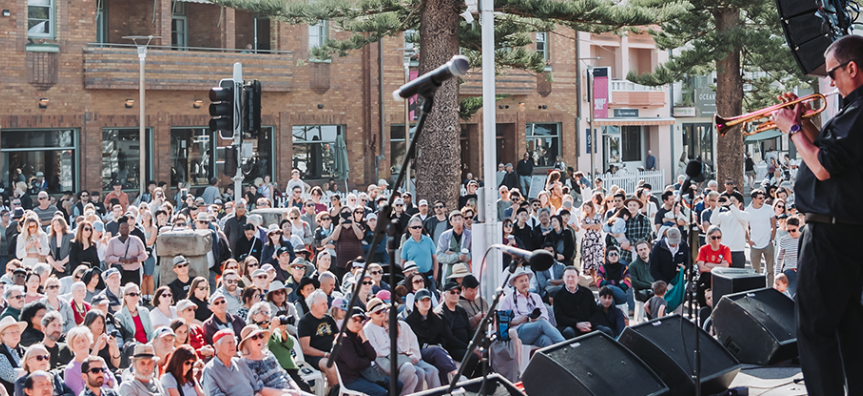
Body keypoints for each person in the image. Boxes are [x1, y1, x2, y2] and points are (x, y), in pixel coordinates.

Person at [770, 37, 863, 395]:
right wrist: (802, 122)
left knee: (812, 328)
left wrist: (793, 130)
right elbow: (828, 153)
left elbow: (822, 167)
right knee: (848, 325)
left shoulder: (858, 111)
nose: (830, 81)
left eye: (832, 72)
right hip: (845, 231)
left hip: (833, 233)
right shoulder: (850, 110)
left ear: (851, 69)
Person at [363, 298, 428, 394]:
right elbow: (374, 351)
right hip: (379, 364)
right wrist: (392, 352)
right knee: (409, 369)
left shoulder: (387, 324)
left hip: (394, 360)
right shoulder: (368, 329)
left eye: (383, 310)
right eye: (377, 312)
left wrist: (402, 352)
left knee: (419, 374)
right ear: (370, 315)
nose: (381, 313)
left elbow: (397, 345)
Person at [334, 307, 402, 396]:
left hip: (366, 374)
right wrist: (367, 361)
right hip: (351, 379)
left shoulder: (358, 336)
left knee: (397, 385)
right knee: (380, 392)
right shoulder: (343, 339)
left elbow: (372, 356)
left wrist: (364, 338)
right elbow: (354, 363)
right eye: (354, 320)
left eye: (360, 321)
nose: (357, 323)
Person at [498, 267, 565, 348]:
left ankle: (557, 359)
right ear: (515, 284)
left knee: (546, 340)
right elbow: (500, 321)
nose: (525, 283)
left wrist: (536, 319)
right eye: (521, 281)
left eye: (526, 280)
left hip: (535, 330)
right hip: (518, 332)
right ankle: (565, 346)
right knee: (542, 323)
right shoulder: (507, 299)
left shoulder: (536, 297)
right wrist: (517, 321)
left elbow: (544, 314)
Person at [237, 325, 303, 394]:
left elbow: (284, 373)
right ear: (247, 342)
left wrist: (295, 388)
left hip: (288, 390)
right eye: (254, 337)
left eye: (261, 335)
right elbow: (260, 389)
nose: (259, 339)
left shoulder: (268, 353)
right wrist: (288, 392)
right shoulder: (245, 362)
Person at [433, 282, 479, 377]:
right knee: (472, 357)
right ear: (444, 294)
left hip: (466, 345)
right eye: (452, 292)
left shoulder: (461, 311)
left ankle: (476, 383)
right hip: (452, 348)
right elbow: (450, 339)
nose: (456, 295)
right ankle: (462, 381)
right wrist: (469, 348)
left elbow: (469, 330)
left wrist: (474, 345)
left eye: (458, 293)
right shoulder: (440, 313)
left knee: (487, 354)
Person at [297, 290, 338, 387]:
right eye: (323, 304)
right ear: (313, 305)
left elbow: (338, 338)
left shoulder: (329, 319)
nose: (326, 306)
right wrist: (325, 354)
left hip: (331, 352)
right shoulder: (305, 322)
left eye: (326, 303)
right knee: (330, 365)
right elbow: (306, 349)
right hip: (314, 357)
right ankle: (335, 392)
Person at [265, 309, 313, 393]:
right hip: (275, 371)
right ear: (254, 316)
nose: (266, 315)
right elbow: (264, 346)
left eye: (267, 312)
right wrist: (271, 328)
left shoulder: (277, 330)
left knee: (304, 389)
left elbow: (290, 345)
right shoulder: (256, 334)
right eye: (263, 312)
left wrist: (283, 332)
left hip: (290, 367)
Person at [64, 327, 117, 396]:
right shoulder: (70, 370)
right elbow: (79, 393)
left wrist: (115, 392)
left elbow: (113, 381)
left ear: (89, 341)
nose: (81, 343)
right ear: (72, 347)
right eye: (77, 342)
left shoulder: (99, 360)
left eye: (83, 340)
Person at [554, 266, 604, 339]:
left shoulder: (587, 292)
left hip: (589, 326)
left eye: (573, 277)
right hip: (571, 326)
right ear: (563, 278)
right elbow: (560, 318)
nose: (570, 279)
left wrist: (589, 323)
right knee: (568, 333)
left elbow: (596, 311)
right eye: (568, 277)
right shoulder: (558, 296)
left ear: (578, 278)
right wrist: (576, 324)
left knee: (606, 331)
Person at [746, 189, 777, 286]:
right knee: (755, 271)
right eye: (760, 198)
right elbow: (745, 227)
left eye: (763, 198)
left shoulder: (768, 208)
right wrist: (748, 240)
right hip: (755, 245)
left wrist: (771, 239)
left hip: (768, 243)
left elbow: (774, 226)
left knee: (770, 270)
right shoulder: (747, 210)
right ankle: (757, 289)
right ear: (753, 198)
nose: (762, 200)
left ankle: (770, 289)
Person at [709, 192, 749, 268]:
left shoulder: (744, 214)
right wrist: (717, 207)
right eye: (730, 201)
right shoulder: (723, 215)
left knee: (738, 276)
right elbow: (713, 221)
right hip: (724, 250)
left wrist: (731, 205)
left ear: (740, 204)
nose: (730, 203)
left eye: (733, 201)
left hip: (738, 250)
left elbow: (740, 217)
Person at [104, 217, 147, 286]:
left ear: (129, 229)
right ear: (119, 229)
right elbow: (107, 257)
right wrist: (119, 259)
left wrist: (134, 259)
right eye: (122, 228)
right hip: (119, 271)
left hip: (134, 271)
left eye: (126, 228)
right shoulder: (112, 241)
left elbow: (144, 255)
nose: (124, 229)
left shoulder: (136, 240)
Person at [402, 216, 439, 290]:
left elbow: (435, 258)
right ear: (410, 229)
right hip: (413, 279)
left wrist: (434, 277)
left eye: (419, 227)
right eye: (414, 227)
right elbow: (403, 263)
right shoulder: (406, 244)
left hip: (429, 276)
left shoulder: (428, 240)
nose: (417, 229)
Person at [0, 317, 27, 395]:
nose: (16, 334)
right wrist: (32, 369)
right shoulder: (1, 354)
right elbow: (11, 376)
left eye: (17, 331)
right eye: (11, 332)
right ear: (2, 336)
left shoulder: (25, 351)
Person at [775, 216, 800, 298]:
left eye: (793, 230)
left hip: (803, 271)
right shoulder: (784, 239)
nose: (791, 233)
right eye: (788, 231)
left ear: (798, 227)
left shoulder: (804, 238)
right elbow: (779, 258)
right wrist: (777, 274)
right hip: (790, 270)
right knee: (793, 297)